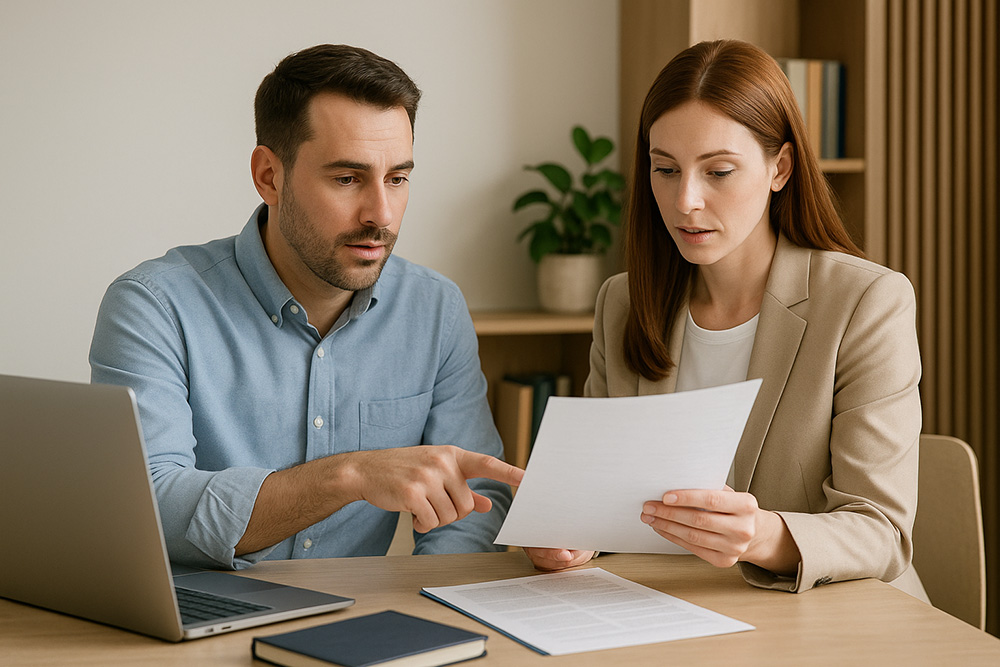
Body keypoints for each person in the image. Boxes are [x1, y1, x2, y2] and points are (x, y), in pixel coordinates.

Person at [90, 44, 522, 570]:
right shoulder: (154, 306)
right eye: (347, 179)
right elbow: (152, 507)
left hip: (360, 623)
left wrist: (433, 604)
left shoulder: (435, 309)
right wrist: (350, 475)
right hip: (193, 627)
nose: (380, 214)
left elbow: (474, 500)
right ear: (269, 176)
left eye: (398, 178)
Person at [523, 39, 927, 600]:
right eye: (665, 169)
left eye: (718, 171)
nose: (686, 200)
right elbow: (597, 501)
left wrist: (762, 536)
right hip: (663, 610)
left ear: (780, 168)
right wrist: (568, 534)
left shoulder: (866, 302)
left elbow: (880, 531)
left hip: (836, 617)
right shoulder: (623, 302)